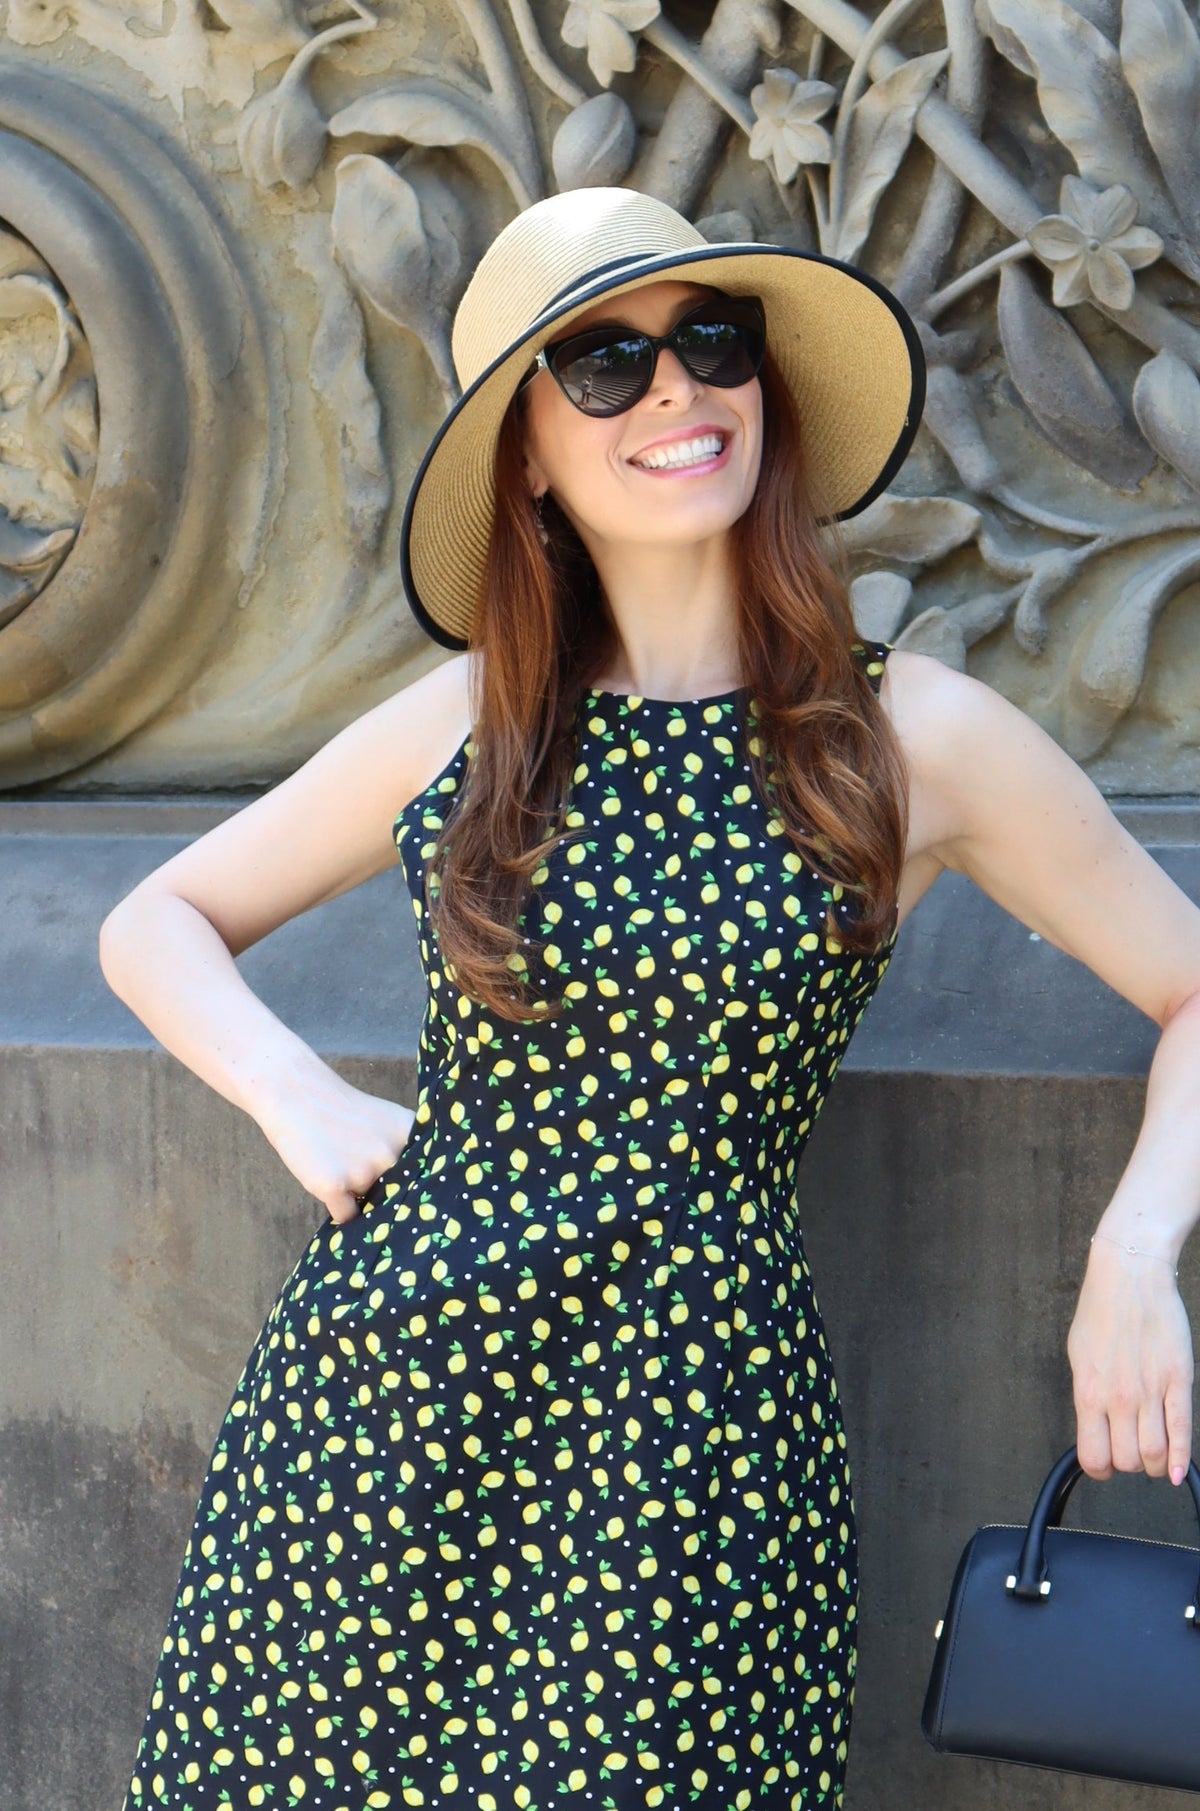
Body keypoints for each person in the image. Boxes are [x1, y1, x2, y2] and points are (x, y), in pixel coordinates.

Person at [100, 187, 1200, 1811]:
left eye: (712, 339)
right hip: (382, 1415)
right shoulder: (475, 719)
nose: (677, 385)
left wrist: (1131, 1255)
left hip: (697, 1441)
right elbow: (156, 920)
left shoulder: (913, 737)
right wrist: (294, 1093)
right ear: (531, 461)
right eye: (605, 364)